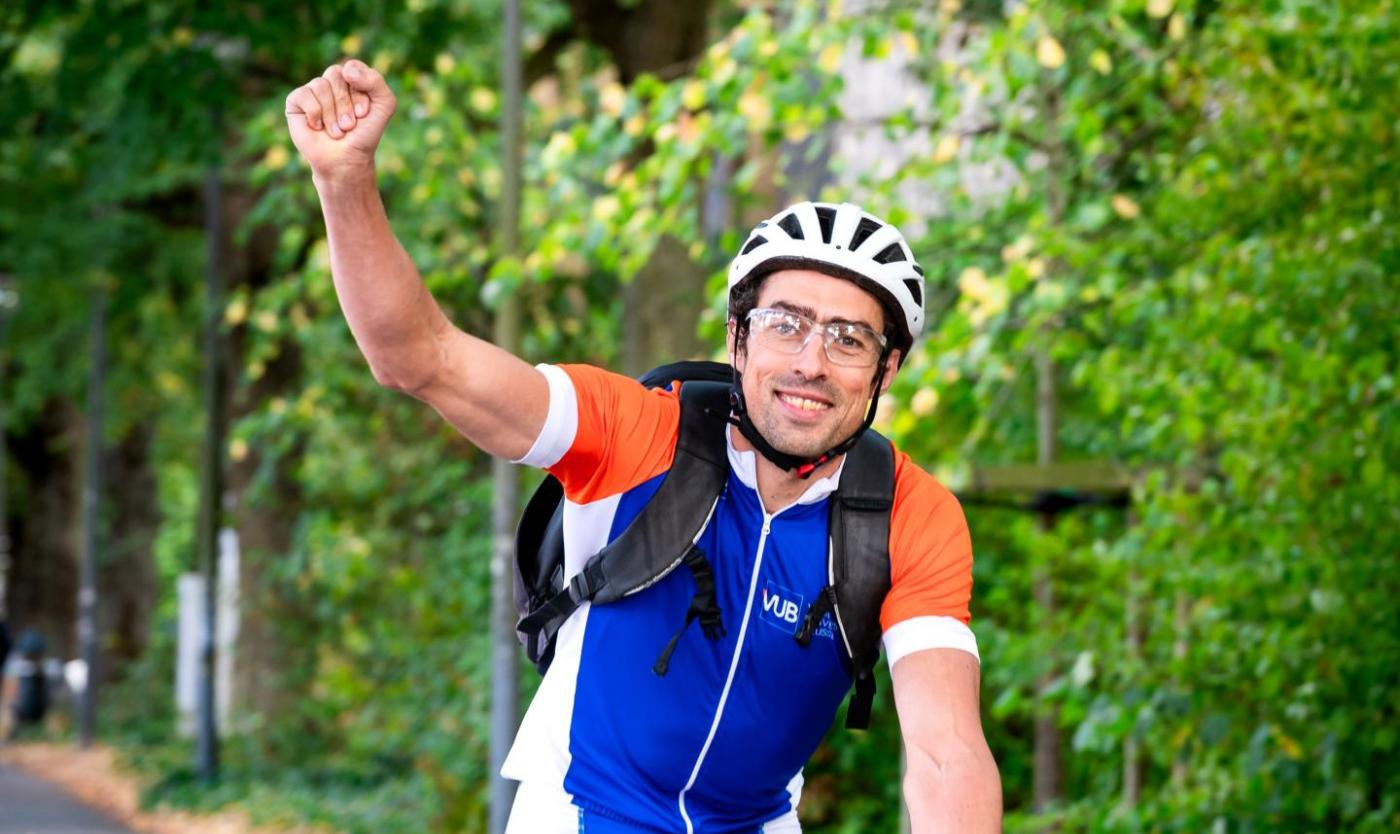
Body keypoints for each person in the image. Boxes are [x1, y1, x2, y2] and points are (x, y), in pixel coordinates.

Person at [285, 59, 1002, 834]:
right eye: (784, 323)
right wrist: (345, 179)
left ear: (887, 369)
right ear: (737, 337)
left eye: (849, 339)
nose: (809, 362)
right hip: (580, 810)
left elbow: (945, 753)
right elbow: (420, 356)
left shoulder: (908, 515)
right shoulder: (638, 432)